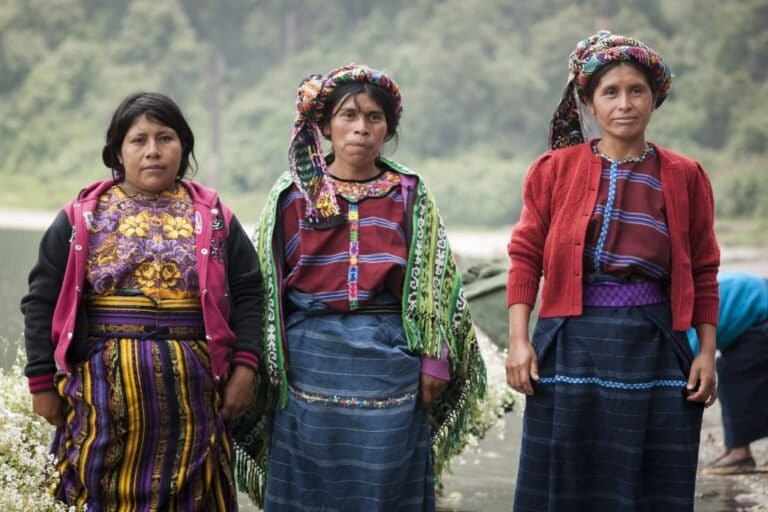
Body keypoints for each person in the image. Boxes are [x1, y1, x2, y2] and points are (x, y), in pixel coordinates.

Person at [235, 64, 486, 511]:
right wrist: (262, 365)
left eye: (374, 117)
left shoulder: (410, 193)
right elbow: (265, 288)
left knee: (385, 486)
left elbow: (435, 280)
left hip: (391, 358)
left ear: (388, 128)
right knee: (309, 487)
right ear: (325, 127)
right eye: (348, 116)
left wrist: (434, 358)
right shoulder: (290, 195)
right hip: (308, 360)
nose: (361, 128)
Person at [505, 31, 720, 511]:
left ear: (654, 97)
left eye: (636, 90)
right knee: (567, 476)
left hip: (656, 344)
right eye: (610, 92)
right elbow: (525, 257)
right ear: (588, 101)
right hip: (569, 343)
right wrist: (519, 342)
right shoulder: (553, 170)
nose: (625, 104)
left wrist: (706, 352)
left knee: (649, 480)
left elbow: (704, 268)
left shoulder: (685, 175)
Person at [20, 92, 263, 511]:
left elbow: (249, 293)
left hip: (195, 401)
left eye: (165, 138)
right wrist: (42, 382)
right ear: (117, 150)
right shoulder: (81, 218)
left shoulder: (215, 216)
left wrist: (245, 367)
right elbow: (41, 300)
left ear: (183, 147)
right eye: (139, 140)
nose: (153, 151)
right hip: (99, 399)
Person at [689, 272, 768, 473]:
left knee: (735, 378)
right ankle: (735, 449)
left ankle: (739, 453)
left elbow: (688, 363)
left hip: (761, 312)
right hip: (752, 311)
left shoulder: (682, 321)